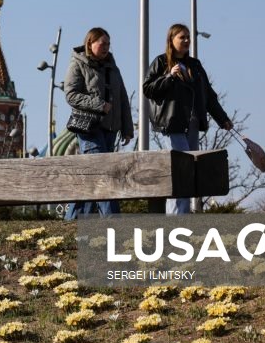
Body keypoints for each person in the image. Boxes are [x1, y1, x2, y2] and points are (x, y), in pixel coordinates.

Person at [143, 23, 233, 214]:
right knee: (181, 170)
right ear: (171, 40)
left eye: (188, 37)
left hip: (192, 124)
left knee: (190, 172)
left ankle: (182, 216)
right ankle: (177, 218)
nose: (186, 41)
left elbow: (208, 95)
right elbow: (148, 88)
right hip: (172, 123)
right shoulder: (161, 62)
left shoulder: (195, 65)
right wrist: (169, 77)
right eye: (181, 37)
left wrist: (222, 118)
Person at [63, 27, 134, 220]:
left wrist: (127, 128)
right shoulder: (78, 63)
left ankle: (74, 220)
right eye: (102, 43)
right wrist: (99, 104)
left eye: (108, 44)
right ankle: (113, 221)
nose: (106, 47)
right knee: (103, 174)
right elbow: (71, 94)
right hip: (89, 129)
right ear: (90, 43)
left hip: (110, 129)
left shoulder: (112, 67)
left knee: (92, 178)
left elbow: (122, 97)